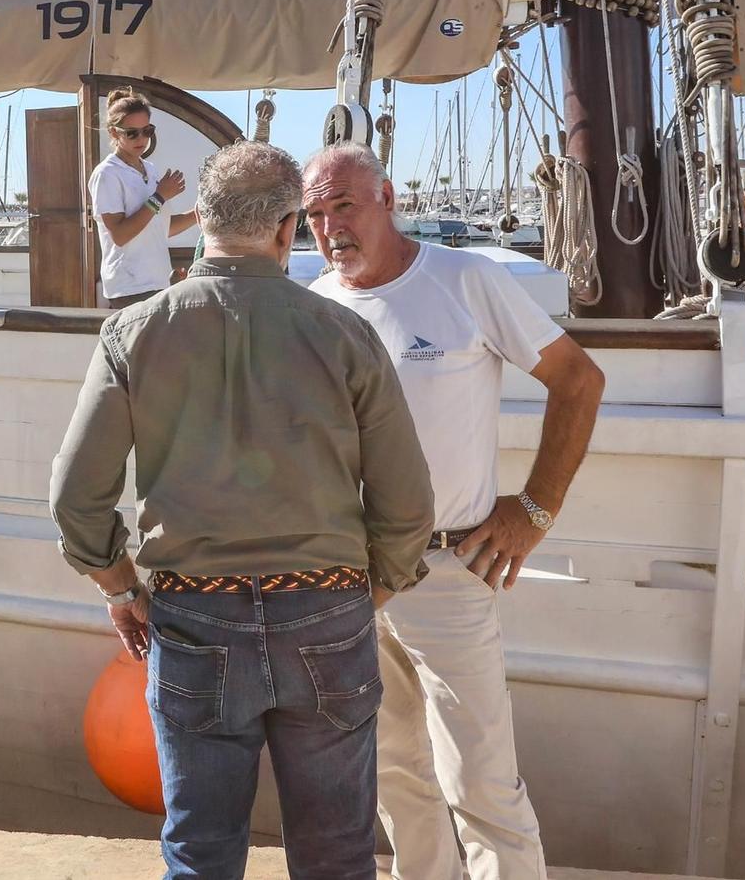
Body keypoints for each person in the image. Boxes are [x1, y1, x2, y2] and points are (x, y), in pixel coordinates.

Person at [52, 141, 435, 879]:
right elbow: (407, 503)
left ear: (204, 222)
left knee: (202, 854)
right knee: (336, 855)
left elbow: (75, 497)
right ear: (288, 227)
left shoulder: (133, 332)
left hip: (196, 619)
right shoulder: (347, 335)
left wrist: (122, 588)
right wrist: (369, 590)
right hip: (328, 613)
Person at [302, 143, 606, 880]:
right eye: (313, 213)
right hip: (351, 577)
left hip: (448, 570)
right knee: (397, 776)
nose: (329, 225)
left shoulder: (465, 278)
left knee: (481, 783)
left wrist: (535, 509)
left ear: (388, 197)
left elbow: (579, 379)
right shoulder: (318, 303)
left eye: (343, 204)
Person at [89, 89, 197, 308]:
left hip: (157, 284)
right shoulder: (106, 174)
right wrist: (160, 196)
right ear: (113, 133)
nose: (142, 139)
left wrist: (200, 213)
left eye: (147, 131)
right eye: (132, 133)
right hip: (129, 288)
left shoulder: (150, 169)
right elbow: (120, 235)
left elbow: (161, 227)